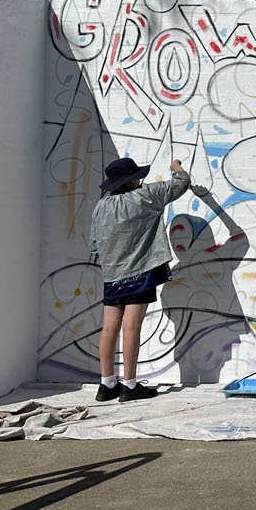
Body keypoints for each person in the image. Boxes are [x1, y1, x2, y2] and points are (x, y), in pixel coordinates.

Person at [89, 157, 192, 403]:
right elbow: (182, 183)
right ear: (131, 179)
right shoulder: (147, 195)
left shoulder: (101, 206)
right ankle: (130, 385)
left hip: (112, 273)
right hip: (141, 272)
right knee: (131, 325)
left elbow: (94, 245)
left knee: (109, 326)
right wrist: (176, 168)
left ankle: (106, 384)